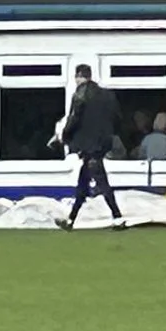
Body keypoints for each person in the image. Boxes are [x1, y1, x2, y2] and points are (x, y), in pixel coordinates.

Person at [54, 63, 127, 229]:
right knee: (83, 184)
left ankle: (118, 219)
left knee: (102, 183)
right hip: (102, 144)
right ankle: (71, 220)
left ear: (79, 76)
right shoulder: (107, 96)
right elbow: (117, 118)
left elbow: (74, 118)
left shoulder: (80, 95)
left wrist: (64, 135)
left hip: (88, 146)